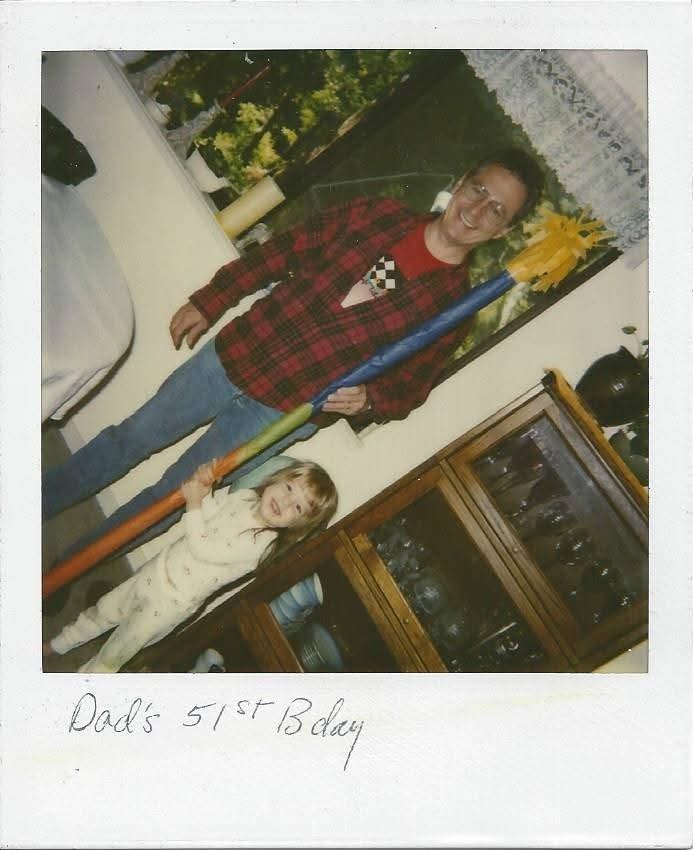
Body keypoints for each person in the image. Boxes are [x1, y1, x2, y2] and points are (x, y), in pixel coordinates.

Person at [42, 147, 544, 557]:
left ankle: (63, 569)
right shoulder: (378, 214)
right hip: (237, 354)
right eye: (479, 190)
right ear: (461, 181)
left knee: (173, 496)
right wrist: (213, 298)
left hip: (282, 412)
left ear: (503, 231)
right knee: (127, 439)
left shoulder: (454, 309)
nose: (477, 210)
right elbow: (285, 248)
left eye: (497, 210)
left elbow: (411, 389)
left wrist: (370, 400)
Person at [43, 459, 338, 672]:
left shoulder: (261, 546)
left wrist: (193, 504)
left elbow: (203, 547)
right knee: (104, 610)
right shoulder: (246, 497)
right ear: (277, 478)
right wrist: (205, 490)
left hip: (170, 604)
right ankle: (59, 644)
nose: (284, 502)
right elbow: (209, 514)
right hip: (156, 570)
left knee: (116, 652)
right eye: (289, 488)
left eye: (297, 507)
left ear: (299, 525)